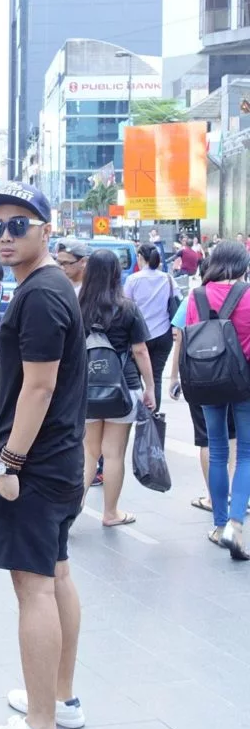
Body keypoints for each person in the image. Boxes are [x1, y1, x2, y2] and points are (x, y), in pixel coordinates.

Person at [0, 184, 87, 729]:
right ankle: (59, 699)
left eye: (19, 224)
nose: (6, 236)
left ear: (46, 227)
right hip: (60, 460)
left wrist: (10, 463)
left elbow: (38, 387)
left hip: (36, 465)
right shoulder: (50, 285)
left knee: (33, 587)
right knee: (57, 575)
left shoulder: (40, 294)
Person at [79, 249, 156, 528]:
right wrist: (151, 388)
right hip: (123, 388)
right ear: (116, 274)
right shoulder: (127, 307)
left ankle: (74, 507)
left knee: (89, 452)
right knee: (113, 454)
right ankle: (110, 513)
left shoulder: (78, 306)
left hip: (86, 389)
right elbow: (140, 350)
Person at [184, 239, 250, 559]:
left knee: (218, 450)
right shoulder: (249, 295)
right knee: (248, 454)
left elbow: (187, 335)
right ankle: (236, 524)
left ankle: (219, 523)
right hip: (246, 382)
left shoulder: (196, 295)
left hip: (208, 379)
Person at [169, 254, 236, 515]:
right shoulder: (241, 296)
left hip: (200, 376)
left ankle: (213, 498)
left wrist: (174, 377)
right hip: (235, 376)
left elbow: (179, 338)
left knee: (208, 439)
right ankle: (234, 493)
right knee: (235, 438)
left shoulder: (194, 298)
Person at [124, 244, 175, 410]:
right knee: (156, 378)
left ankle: (140, 418)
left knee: (137, 378)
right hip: (163, 333)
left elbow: (126, 305)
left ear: (140, 257)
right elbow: (176, 299)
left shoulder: (133, 280)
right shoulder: (167, 278)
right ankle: (153, 420)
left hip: (138, 336)